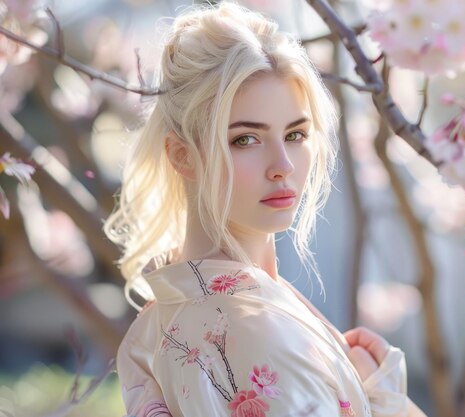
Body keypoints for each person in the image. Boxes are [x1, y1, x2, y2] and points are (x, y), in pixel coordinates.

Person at [105, 2, 427, 416]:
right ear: (183, 155)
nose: (284, 167)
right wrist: (380, 396)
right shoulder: (249, 327)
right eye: (245, 139)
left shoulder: (161, 318)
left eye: (295, 134)